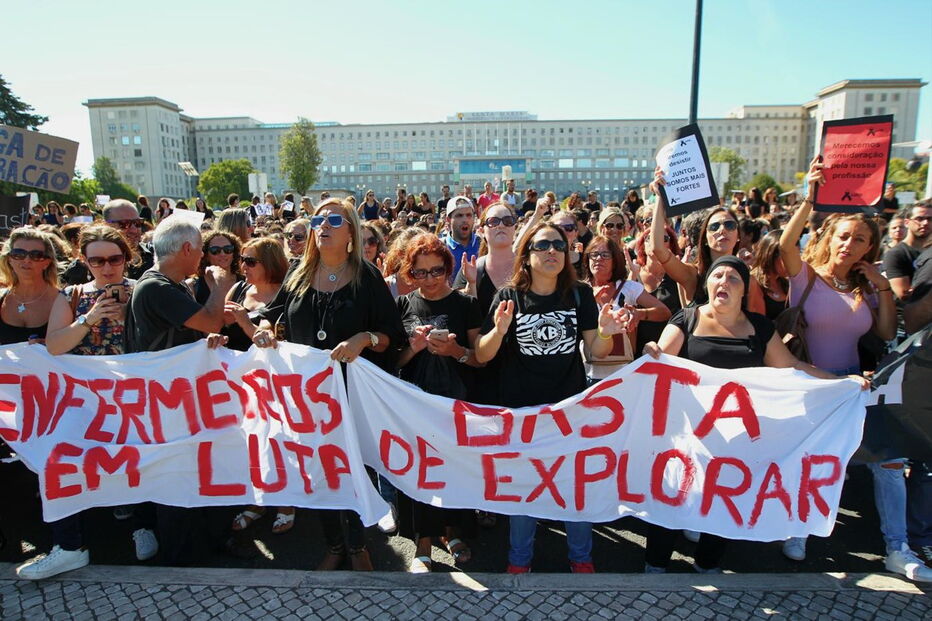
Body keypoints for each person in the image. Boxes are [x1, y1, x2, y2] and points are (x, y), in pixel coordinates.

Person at [642, 255, 870, 573]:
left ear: (743, 288)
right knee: (672, 496)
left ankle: (707, 564)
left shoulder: (758, 327)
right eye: (717, 275)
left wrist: (842, 382)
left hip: (736, 437)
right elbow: (662, 353)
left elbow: (791, 366)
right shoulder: (688, 319)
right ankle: (655, 567)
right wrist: (652, 350)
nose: (724, 282)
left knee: (722, 501)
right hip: (688, 433)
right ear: (707, 283)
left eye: (733, 278)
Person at [778, 158, 927, 579]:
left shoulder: (867, 287)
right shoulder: (804, 276)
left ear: (868, 248)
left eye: (859, 239)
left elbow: (882, 331)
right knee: (814, 460)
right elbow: (787, 246)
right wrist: (810, 196)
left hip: (856, 386)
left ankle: (898, 548)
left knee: (889, 460)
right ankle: (799, 528)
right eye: (844, 235)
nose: (849, 243)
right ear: (830, 236)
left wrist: (880, 286)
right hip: (810, 384)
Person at [251, 197, 405, 571]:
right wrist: (265, 331)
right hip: (308, 395)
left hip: (353, 391)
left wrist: (362, 339)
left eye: (334, 219)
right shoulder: (298, 273)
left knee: (353, 467)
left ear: (351, 229)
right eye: (318, 218)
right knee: (318, 467)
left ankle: (357, 546)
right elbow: (271, 317)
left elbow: (392, 336)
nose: (323, 225)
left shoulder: (367, 276)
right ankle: (334, 545)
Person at [475, 222, 629, 573]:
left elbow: (596, 350)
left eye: (559, 245)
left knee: (574, 485)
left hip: (568, 411)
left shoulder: (579, 294)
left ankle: (581, 557)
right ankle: (519, 560)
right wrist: (498, 331)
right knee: (525, 488)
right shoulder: (508, 297)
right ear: (526, 256)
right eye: (543, 245)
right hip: (523, 414)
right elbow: (482, 355)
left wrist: (606, 332)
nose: (552, 251)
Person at [17, 226, 145, 580]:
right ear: (83, 261)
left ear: (126, 258)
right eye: (97, 260)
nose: (107, 268)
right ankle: (68, 546)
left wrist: (129, 319)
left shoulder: (143, 290)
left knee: (139, 462)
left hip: (136, 401)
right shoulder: (72, 296)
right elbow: (55, 345)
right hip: (85, 403)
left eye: (114, 259)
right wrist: (88, 321)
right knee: (58, 462)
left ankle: (140, 523)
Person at [124, 218, 236, 566]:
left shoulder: (166, 284)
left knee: (194, 472)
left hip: (176, 397)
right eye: (202, 248)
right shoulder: (157, 288)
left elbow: (194, 333)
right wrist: (218, 286)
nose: (204, 255)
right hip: (168, 404)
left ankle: (201, 546)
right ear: (186, 249)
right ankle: (183, 560)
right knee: (176, 478)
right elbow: (211, 320)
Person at [395, 234, 482, 573]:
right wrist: (415, 348)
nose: (429, 279)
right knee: (418, 471)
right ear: (410, 274)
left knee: (454, 468)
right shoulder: (403, 305)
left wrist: (454, 352)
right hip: (413, 402)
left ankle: (452, 532)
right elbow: (395, 362)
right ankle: (423, 542)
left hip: (456, 401)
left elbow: (480, 359)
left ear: (448, 269)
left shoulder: (465, 305)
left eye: (436, 271)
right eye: (420, 273)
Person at [583, 235, 669, 382]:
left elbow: (664, 312)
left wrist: (638, 314)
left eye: (605, 255)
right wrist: (589, 302)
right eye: (594, 254)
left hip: (624, 374)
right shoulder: (580, 290)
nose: (598, 259)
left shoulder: (628, 288)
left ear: (615, 260)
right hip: (588, 374)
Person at [0, 228, 60, 346]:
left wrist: (54, 345)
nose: (27, 260)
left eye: (36, 255)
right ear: (10, 259)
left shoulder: (65, 300)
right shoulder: (2, 298)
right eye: (18, 254)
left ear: (47, 262)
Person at [633, 224, 683, 353]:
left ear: (671, 246)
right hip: (637, 352)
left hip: (670, 351)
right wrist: (631, 276)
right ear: (643, 246)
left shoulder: (678, 275)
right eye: (650, 238)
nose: (656, 242)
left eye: (664, 239)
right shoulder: (633, 273)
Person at [884, 202, 931, 302]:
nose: (926, 223)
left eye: (930, 219)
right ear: (907, 222)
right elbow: (904, 295)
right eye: (919, 219)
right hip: (906, 314)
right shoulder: (896, 254)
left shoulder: (929, 252)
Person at [103, 199, 154, 280]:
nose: (134, 230)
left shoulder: (156, 256)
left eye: (137, 222)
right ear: (106, 225)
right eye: (124, 224)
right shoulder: (94, 262)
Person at [749, 230, 789, 321]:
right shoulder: (753, 282)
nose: (792, 262)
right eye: (787, 257)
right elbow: (757, 322)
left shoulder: (786, 283)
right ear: (771, 255)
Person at [443, 196, 480, 280]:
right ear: (448, 219)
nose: (465, 220)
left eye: (469, 215)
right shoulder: (439, 247)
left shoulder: (484, 245)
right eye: (459, 215)